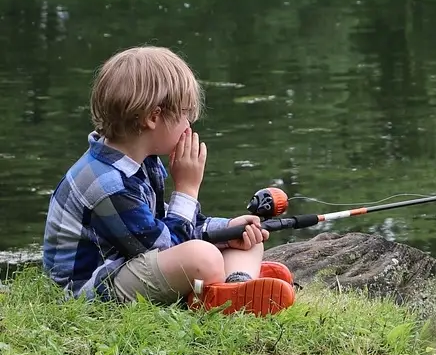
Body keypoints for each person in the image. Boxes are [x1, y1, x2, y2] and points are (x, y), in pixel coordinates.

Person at [42, 45, 295, 316]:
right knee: (202, 257)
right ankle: (230, 283)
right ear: (153, 117)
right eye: (185, 114)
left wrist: (228, 229)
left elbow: (167, 226)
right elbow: (164, 246)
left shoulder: (142, 161)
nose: (189, 125)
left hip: (134, 258)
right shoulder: (107, 184)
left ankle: (236, 285)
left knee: (247, 236)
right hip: (93, 288)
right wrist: (187, 189)